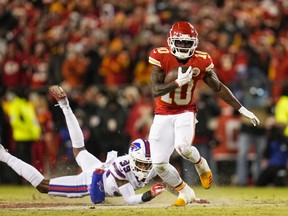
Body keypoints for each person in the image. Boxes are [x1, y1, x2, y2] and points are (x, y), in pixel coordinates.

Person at [148, 21, 260, 206]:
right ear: (171, 41)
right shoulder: (160, 56)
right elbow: (155, 90)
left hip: (185, 111)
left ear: (194, 43)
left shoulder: (201, 60)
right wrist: (177, 83)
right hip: (162, 113)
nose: (183, 46)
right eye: (180, 42)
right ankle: (186, 193)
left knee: (183, 148)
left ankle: (200, 163)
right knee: (159, 164)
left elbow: (218, 87)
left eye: (187, 43)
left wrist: (241, 108)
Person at [0, 85, 165, 205]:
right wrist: (149, 194)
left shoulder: (151, 166)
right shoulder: (122, 170)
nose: (145, 167)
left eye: (147, 163)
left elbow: (168, 176)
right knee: (43, 186)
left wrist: (183, 191)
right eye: (142, 163)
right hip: (92, 181)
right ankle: (4, 155)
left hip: (100, 168)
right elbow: (124, 199)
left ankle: (65, 105)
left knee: (79, 149)